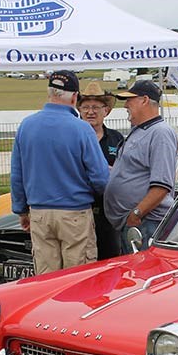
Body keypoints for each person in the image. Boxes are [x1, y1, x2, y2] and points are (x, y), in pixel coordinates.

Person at [10, 70, 109, 275]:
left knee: (46, 278)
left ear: (50, 93)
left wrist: (21, 209)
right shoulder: (82, 129)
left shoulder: (27, 126)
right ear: (74, 97)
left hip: (39, 212)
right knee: (78, 276)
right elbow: (100, 177)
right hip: (75, 212)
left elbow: (17, 174)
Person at [104, 80, 178, 254]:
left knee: (144, 275)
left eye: (130, 100)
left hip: (147, 223)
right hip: (136, 223)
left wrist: (136, 213)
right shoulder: (140, 130)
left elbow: (162, 185)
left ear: (145, 100)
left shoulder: (160, 133)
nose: (126, 105)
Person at [77, 82, 124, 259]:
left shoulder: (116, 138)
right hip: (79, 211)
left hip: (108, 213)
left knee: (110, 258)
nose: (90, 112)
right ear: (79, 110)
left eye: (96, 107)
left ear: (106, 110)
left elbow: (126, 170)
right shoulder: (72, 137)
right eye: (86, 107)